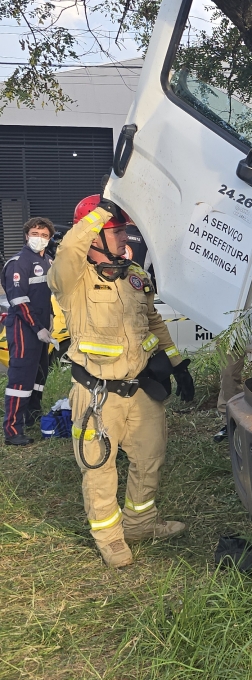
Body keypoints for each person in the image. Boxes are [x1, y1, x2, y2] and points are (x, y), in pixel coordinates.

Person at [49, 195, 196, 567]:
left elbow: (155, 323)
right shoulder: (72, 278)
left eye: (122, 229)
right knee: (99, 469)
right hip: (97, 395)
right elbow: (69, 249)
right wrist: (100, 212)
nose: (123, 236)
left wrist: (178, 364)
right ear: (95, 235)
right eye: (115, 230)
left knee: (150, 458)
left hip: (141, 389)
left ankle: (140, 524)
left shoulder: (135, 275)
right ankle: (111, 539)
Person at [3, 217, 56, 445]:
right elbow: (20, 300)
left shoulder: (48, 261)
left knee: (39, 375)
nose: (39, 238)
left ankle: (32, 416)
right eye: (35, 233)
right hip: (24, 330)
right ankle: (13, 430)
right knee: (21, 379)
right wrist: (37, 328)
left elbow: (46, 293)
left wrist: (51, 316)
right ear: (26, 235)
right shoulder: (18, 263)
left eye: (44, 235)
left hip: (42, 327)